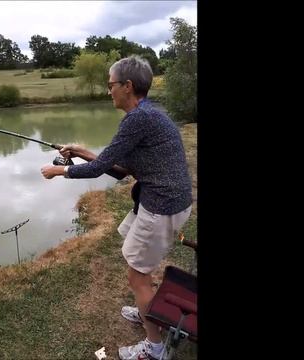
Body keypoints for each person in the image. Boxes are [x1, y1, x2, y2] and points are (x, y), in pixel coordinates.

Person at [40, 55, 192, 360]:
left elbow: (100, 170)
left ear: (128, 86)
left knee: (137, 278)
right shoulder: (149, 114)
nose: (108, 91)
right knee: (139, 269)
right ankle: (146, 308)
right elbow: (120, 169)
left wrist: (60, 171)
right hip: (163, 202)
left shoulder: (138, 119)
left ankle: (156, 348)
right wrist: (82, 152)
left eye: (111, 85)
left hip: (161, 206)